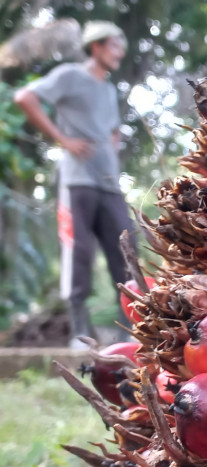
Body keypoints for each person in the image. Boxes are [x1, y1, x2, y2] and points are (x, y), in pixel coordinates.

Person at [14, 21, 136, 348]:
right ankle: (80, 333)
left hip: (109, 182)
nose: (119, 52)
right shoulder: (70, 75)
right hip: (77, 181)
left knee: (126, 248)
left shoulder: (109, 89)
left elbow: (112, 128)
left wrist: (112, 144)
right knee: (78, 250)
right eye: (114, 45)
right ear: (95, 46)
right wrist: (62, 139)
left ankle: (130, 329)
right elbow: (25, 97)